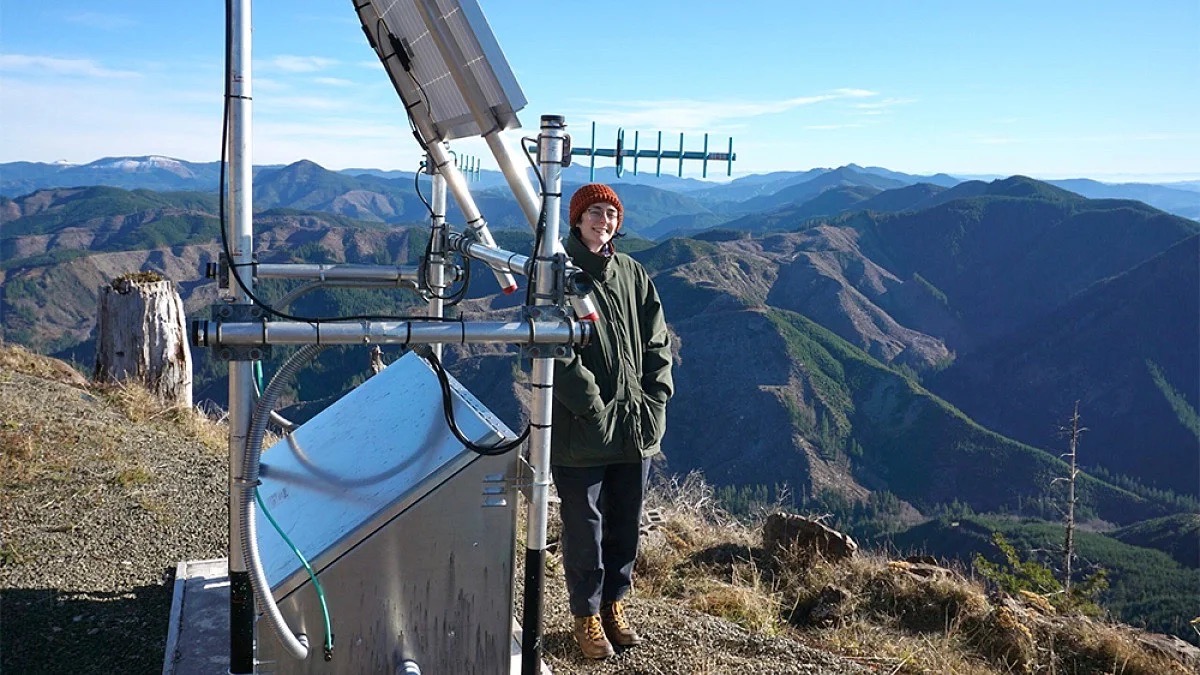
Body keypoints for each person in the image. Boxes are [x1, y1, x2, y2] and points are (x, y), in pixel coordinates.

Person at [550, 183, 674, 659]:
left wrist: (657, 397)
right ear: (577, 219)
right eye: (595, 212)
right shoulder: (558, 275)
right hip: (583, 431)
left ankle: (613, 605)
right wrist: (593, 405)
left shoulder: (632, 274)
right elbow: (554, 348)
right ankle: (585, 615)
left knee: (625, 524)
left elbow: (658, 341)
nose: (604, 220)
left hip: (635, 427)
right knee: (585, 530)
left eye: (611, 213)